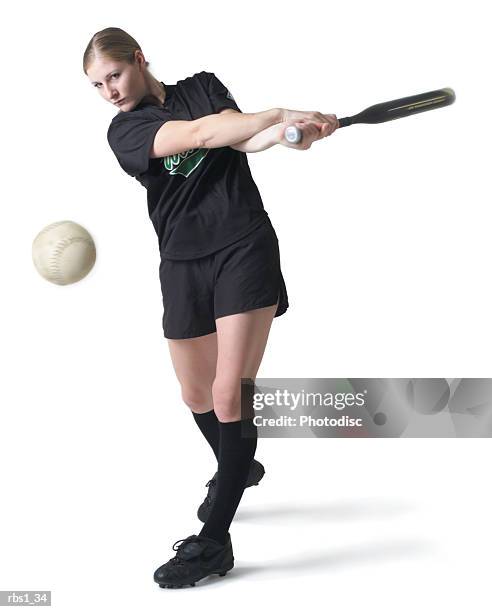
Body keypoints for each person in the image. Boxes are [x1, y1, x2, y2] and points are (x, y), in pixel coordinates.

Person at [83, 27, 338, 589]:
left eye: (115, 75)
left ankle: (213, 543)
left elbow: (238, 139)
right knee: (195, 394)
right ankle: (237, 467)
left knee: (229, 393)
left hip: (243, 244)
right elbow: (201, 133)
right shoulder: (126, 129)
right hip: (181, 261)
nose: (110, 91)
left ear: (139, 59)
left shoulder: (202, 85)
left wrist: (281, 135)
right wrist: (276, 112)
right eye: (98, 85)